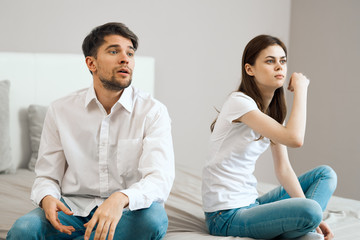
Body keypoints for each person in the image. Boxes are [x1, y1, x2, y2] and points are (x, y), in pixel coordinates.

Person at [7, 22, 175, 240]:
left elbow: (159, 179)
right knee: (24, 230)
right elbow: (47, 175)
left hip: (127, 210)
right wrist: (47, 197)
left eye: (130, 53)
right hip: (72, 210)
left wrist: (120, 198)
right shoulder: (60, 110)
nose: (125, 58)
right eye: (114, 51)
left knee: (152, 221)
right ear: (91, 63)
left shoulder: (153, 111)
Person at [202, 35, 337, 240]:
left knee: (325, 175)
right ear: (250, 69)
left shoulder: (272, 113)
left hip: (251, 204)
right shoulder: (239, 102)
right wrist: (301, 89)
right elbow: (295, 139)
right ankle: (301, 229)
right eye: (270, 61)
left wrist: (311, 218)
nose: (279, 67)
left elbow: (283, 168)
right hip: (225, 216)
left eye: (282, 61)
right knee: (311, 210)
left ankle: (304, 228)